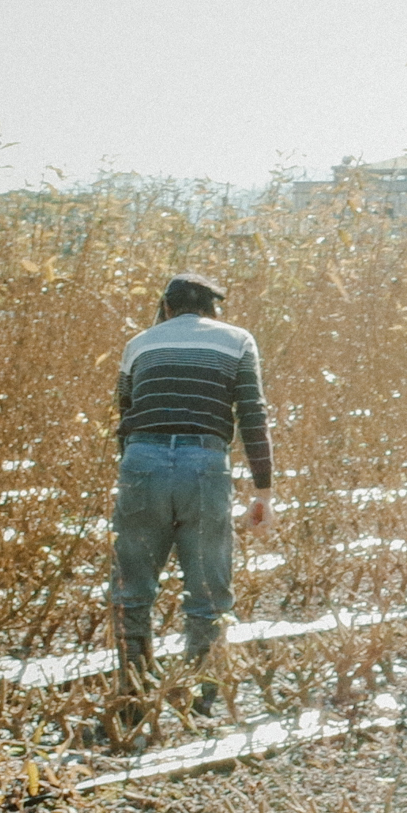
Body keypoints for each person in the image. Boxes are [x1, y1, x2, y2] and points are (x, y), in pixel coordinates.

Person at [109, 270, 274, 729]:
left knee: (132, 589)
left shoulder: (140, 343)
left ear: (166, 307)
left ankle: (134, 693)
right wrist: (263, 492)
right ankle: (198, 698)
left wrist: (141, 469)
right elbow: (253, 417)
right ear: (212, 309)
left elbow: (126, 413)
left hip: (141, 461)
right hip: (204, 465)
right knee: (207, 591)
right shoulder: (237, 340)